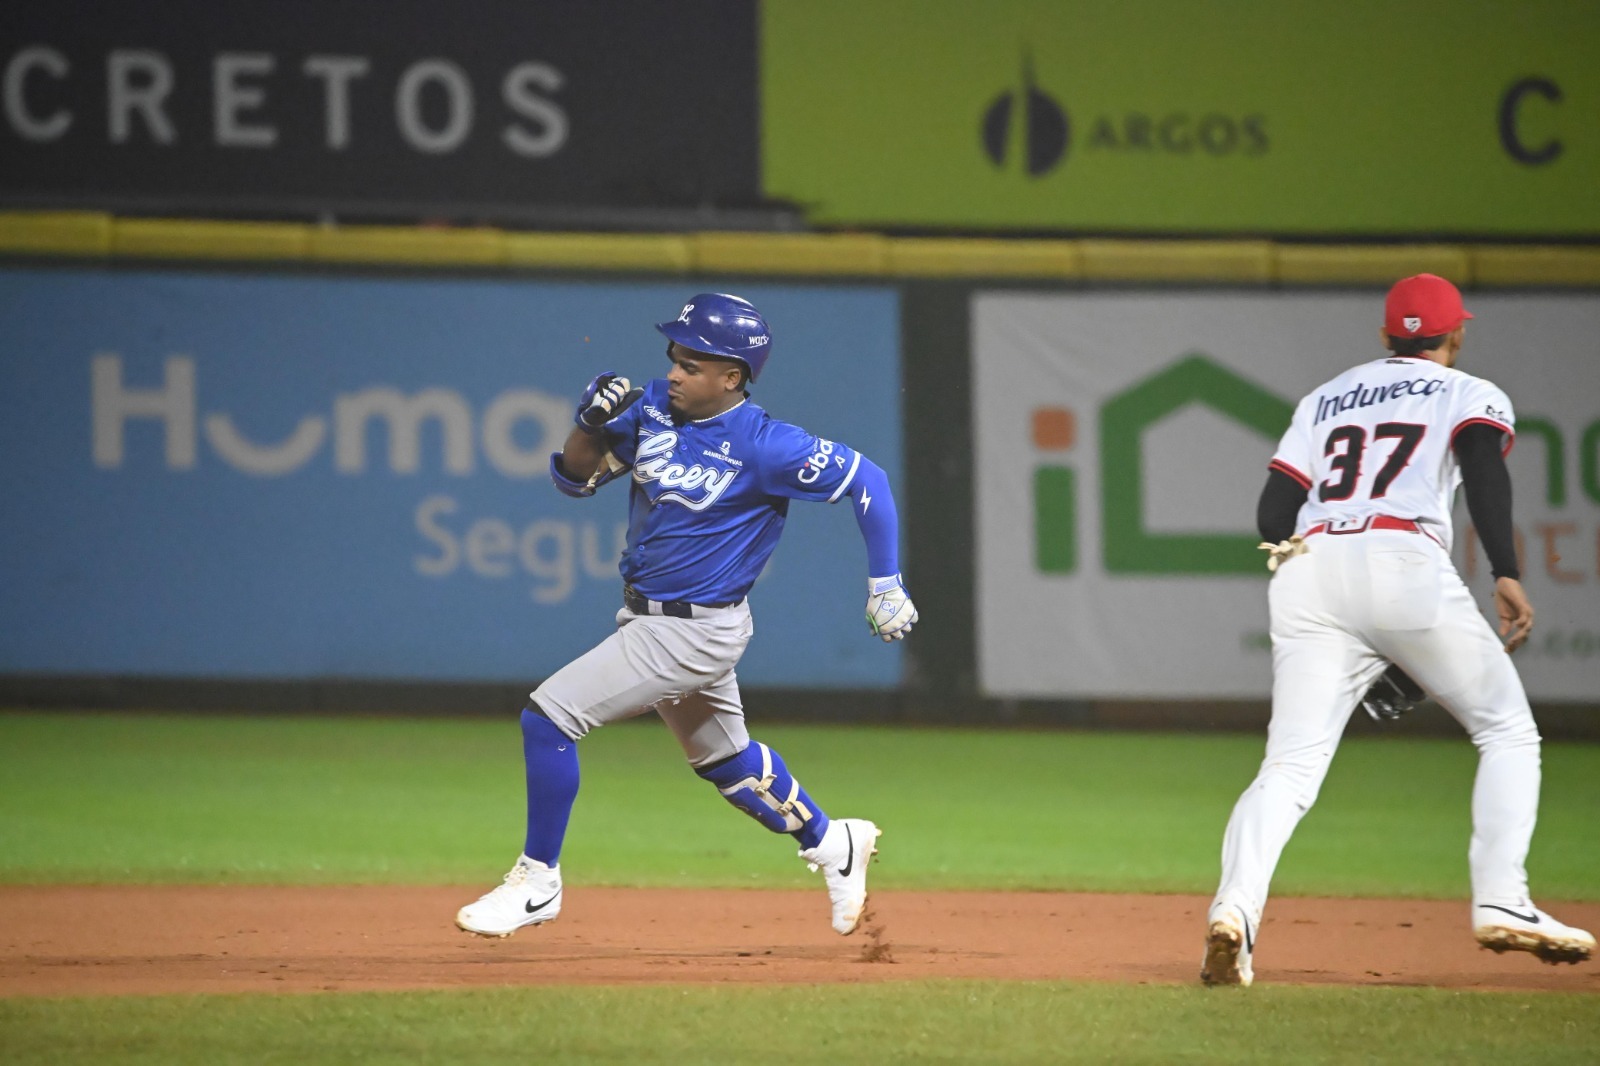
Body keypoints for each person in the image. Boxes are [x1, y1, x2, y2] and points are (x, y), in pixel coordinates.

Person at [455, 293, 917, 940]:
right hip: (649, 619)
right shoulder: (649, 411)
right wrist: (589, 424)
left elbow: (869, 482)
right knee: (727, 765)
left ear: (732, 377)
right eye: (674, 356)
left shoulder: (767, 446)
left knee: (550, 716)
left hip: (695, 632)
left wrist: (885, 583)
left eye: (693, 364)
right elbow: (573, 480)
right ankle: (833, 841)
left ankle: (538, 881)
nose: (674, 371)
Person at [1201, 274, 1594, 987]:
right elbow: (1482, 472)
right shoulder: (1469, 390)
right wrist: (1505, 570)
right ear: (1456, 335)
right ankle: (1503, 899)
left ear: (1386, 337)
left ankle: (1233, 914)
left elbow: (1272, 517)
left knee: (1287, 770)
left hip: (1309, 567)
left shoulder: (1324, 397)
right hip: (1403, 557)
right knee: (1507, 731)